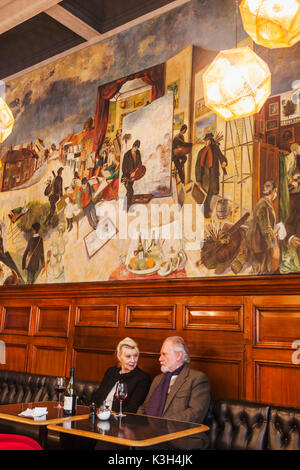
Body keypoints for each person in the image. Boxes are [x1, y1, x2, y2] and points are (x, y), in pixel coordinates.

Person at [60, 337, 151, 450]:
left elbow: (131, 408)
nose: (133, 360)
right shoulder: (111, 372)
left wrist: (108, 416)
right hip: (98, 418)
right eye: (128, 356)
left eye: (135, 356)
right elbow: (98, 396)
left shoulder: (142, 378)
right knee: (67, 431)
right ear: (119, 356)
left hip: (117, 423)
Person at [138, 336, 210, 450]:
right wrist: (136, 424)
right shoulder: (158, 379)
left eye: (164, 354)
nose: (159, 359)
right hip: (151, 435)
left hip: (182, 437)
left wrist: (161, 425)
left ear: (178, 355)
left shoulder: (197, 378)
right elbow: (144, 408)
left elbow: (195, 414)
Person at [247, 180, 279, 274]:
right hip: (259, 245)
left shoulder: (264, 203)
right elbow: (265, 229)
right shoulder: (263, 205)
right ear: (273, 191)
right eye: (276, 191)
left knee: (261, 271)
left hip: (261, 244)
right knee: (260, 272)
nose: (276, 193)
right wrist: (274, 245)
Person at [195, 132, 228, 218]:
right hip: (204, 178)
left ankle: (209, 211)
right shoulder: (201, 152)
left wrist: (224, 162)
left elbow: (221, 156)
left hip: (213, 177)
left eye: (208, 140)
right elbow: (198, 167)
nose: (207, 142)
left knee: (213, 194)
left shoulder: (215, 149)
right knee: (205, 194)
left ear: (211, 141)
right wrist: (198, 179)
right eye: (206, 140)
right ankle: (205, 212)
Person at [121, 140, 142, 211]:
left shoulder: (138, 153)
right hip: (126, 176)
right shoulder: (127, 155)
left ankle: (126, 206)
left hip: (133, 176)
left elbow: (140, 163)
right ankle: (127, 206)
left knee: (129, 191)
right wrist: (129, 174)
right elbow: (124, 167)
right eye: (135, 147)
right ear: (133, 146)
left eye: (137, 148)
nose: (136, 149)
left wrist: (135, 171)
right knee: (130, 191)